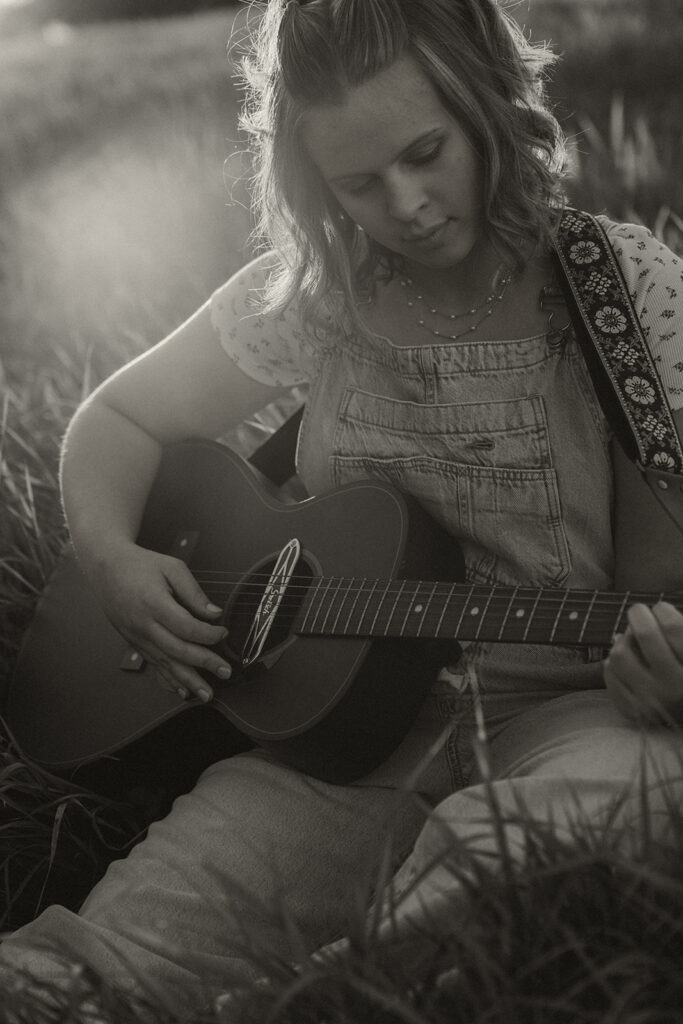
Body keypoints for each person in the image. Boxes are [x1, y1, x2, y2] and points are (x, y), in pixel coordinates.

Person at [2, 0, 683, 1012]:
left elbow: (660, 585)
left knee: (635, 795)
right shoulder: (314, 297)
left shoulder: (622, 289)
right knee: (104, 960)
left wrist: (665, 666)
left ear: (488, 105)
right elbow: (119, 419)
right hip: (337, 737)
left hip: (573, 714)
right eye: (357, 183)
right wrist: (110, 554)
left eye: (424, 152)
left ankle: (336, 995)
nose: (404, 204)